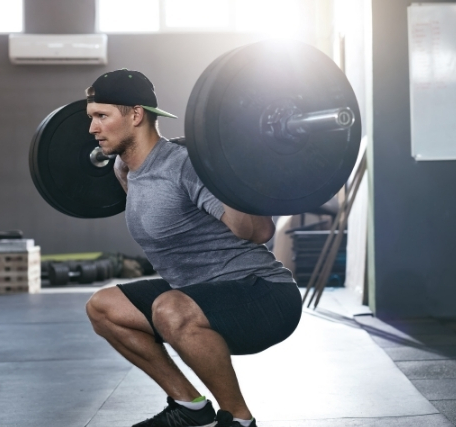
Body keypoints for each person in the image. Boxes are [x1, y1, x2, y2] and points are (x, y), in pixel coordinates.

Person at [84, 69, 302, 427]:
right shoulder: (125, 170)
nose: (92, 129)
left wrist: (235, 170)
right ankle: (191, 408)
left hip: (262, 295)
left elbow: (258, 231)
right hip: (197, 292)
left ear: (136, 115)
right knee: (103, 308)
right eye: (92, 118)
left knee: (170, 308)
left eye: (101, 116)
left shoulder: (186, 166)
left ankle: (240, 420)